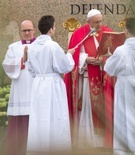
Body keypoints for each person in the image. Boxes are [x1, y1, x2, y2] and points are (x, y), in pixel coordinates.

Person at [64, 9, 114, 148]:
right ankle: (86, 140)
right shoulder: (79, 34)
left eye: (100, 21)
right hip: (86, 79)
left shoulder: (107, 31)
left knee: (101, 110)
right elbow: (73, 55)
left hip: (102, 76)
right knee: (86, 108)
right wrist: (86, 60)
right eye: (96, 22)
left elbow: (113, 54)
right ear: (88, 22)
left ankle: (101, 142)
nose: (99, 24)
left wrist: (103, 60)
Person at [25, 15, 75, 154]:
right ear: (51, 29)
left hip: (38, 85)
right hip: (53, 85)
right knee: (56, 117)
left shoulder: (32, 46)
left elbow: (30, 69)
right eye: (55, 26)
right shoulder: (53, 46)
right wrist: (69, 55)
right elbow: (63, 67)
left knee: (39, 119)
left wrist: (40, 76)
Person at [104, 17, 135, 155]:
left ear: (126, 31)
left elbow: (109, 69)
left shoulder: (121, 50)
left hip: (125, 85)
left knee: (123, 118)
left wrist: (109, 56)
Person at [2, 20, 36, 155]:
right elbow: (7, 65)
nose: (27, 33)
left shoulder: (42, 46)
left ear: (34, 30)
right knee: (20, 119)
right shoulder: (13, 47)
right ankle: (18, 150)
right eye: (24, 31)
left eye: (29, 30)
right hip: (20, 87)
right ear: (20, 32)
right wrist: (23, 59)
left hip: (36, 87)